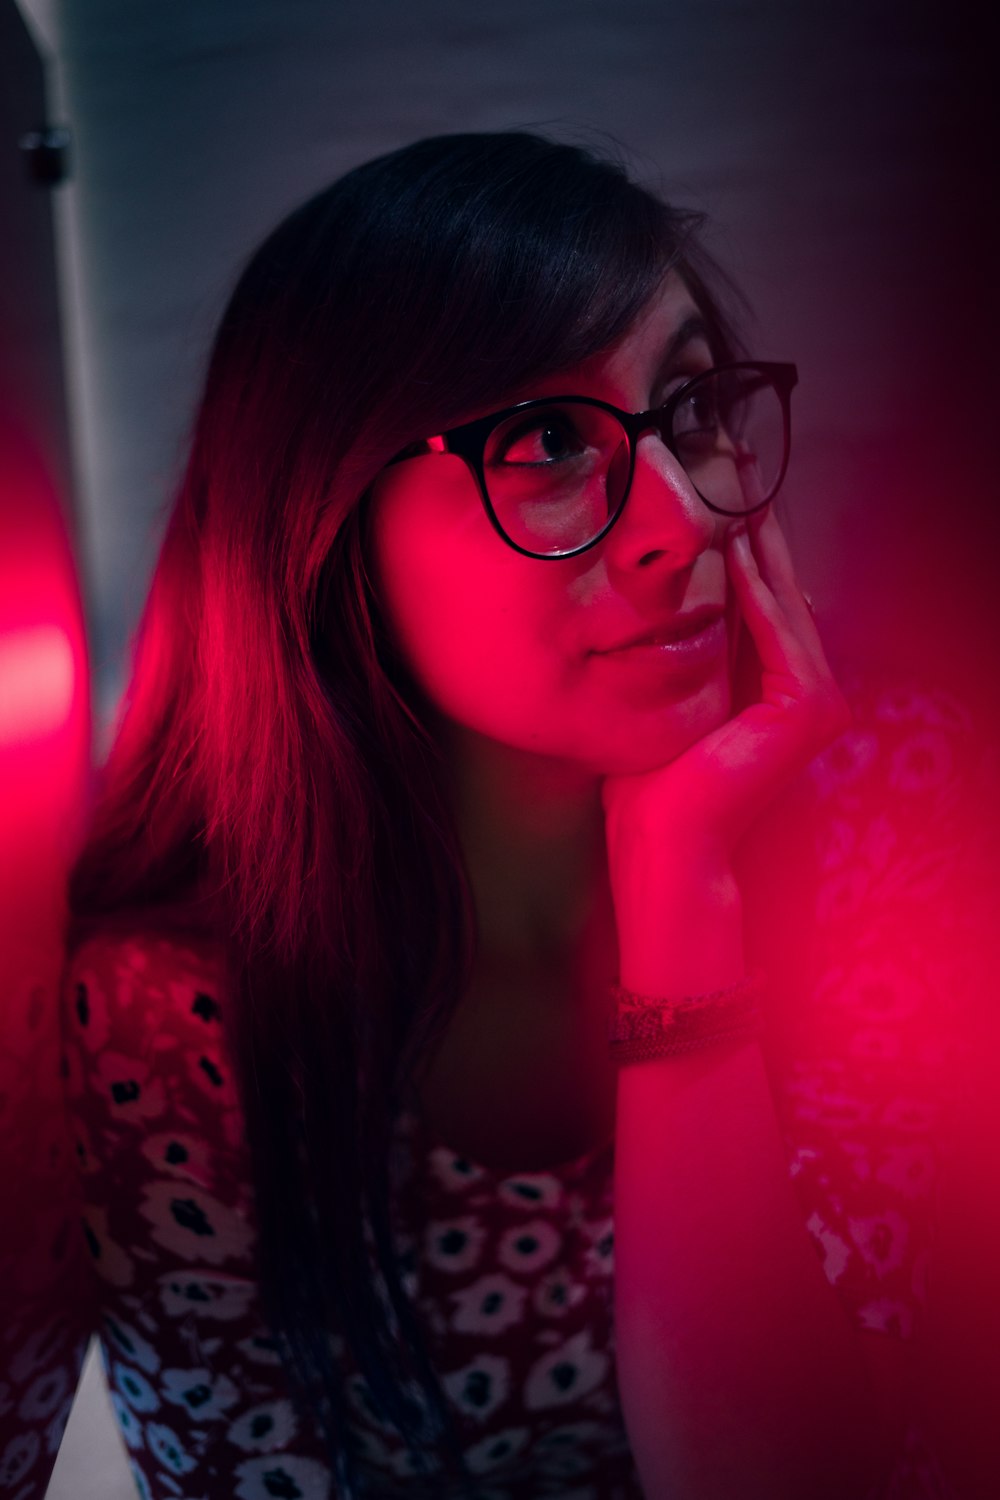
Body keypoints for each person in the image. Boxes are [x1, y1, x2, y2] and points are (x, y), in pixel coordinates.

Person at [2, 130, 988, 1500]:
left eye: (692, 408)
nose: (686, 514)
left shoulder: (879, 818)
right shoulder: (177, 1024)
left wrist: (683, 891)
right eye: (545, 439)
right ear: (323, 517)